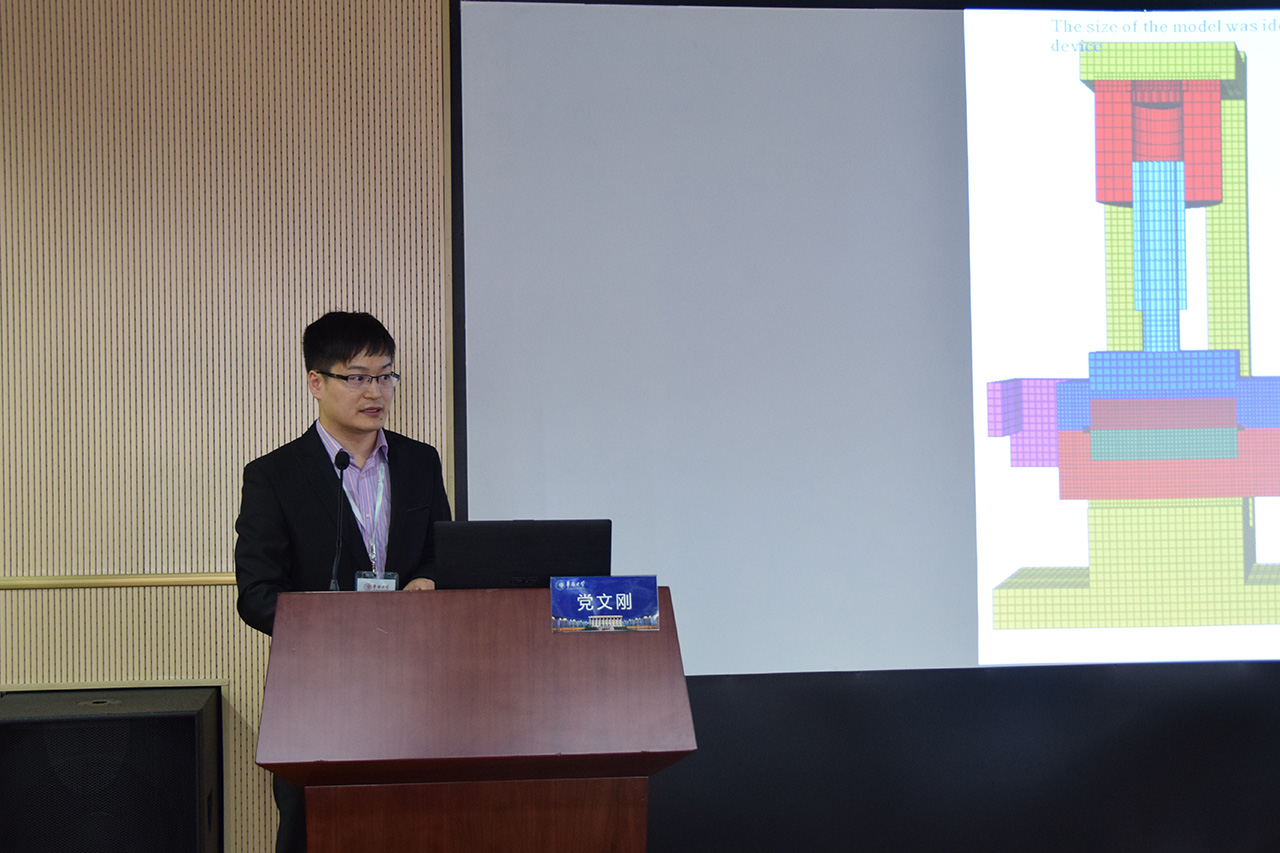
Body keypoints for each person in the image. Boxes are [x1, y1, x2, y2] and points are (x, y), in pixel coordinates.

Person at [234, 311, 452, 853]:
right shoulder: (273, 476)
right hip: (318, 692)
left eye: (385, 375)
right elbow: (257, 594)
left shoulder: (420, 462)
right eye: (357, 377)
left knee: (417, 827)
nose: (376, 391)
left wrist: (429, 579)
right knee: (315, 833)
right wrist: (338, 622)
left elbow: (442, 555)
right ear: (316, 382)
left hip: (414, 687)